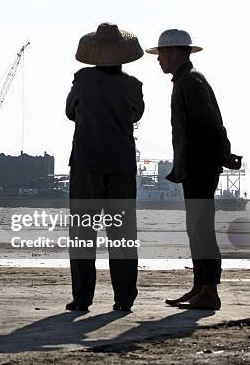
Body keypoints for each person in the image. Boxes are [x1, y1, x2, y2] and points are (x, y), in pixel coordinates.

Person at [146, 29, 238, 310]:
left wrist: (224, 154)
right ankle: (201, 287)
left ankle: (209, 291)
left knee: (201, 228)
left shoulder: (190, 81)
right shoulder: (186, 80)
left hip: (200, 165)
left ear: (174, 52)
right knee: (195, 228)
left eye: (160, 54)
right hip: (195, 165)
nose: (158, 60)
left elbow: (210, 122)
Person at [65, 23, 144, 312]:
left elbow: (70, 112)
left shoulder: (83, 80)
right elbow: (137, 114)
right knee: (122, 235)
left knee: (83, 233)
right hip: (122, 165)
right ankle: (124, 299)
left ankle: (82, 298)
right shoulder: (133, 85)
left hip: (87, 163)